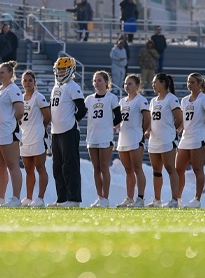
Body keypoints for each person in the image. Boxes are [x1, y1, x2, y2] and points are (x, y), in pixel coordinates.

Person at [0, 60, 25, 207]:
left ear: (10, 74)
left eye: (2, 72)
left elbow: (20, 111)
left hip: (8, 132)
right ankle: (0, 197)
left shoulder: (13, 89)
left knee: (12, 164)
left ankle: (16, 198)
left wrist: (9, 122)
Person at [49, 55, 86, 207]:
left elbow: (82, 109)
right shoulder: (56, 87)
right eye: (59, 70)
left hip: (68, 131)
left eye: (64, 69)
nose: (61, 72)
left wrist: (72, 121)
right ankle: (62, 199)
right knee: (57, 167)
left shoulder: (73, 86)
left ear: (71, 70)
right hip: (55, 132)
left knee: (70, 166)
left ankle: (74, 199)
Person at [175, 73, 205, 208]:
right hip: (186, 138)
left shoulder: (203, 99)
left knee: (197, 169)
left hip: (198, 138)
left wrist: (203, 127)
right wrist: (178, 129)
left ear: (199, 84)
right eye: (188, 82)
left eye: (192, 82)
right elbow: (184, 119)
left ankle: (197, 199)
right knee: (178, 169)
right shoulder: (185, 100)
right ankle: (177, 199)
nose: (189, 84)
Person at [84, 70, 121, 207]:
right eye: (95, 80)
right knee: (96, 168)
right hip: (92, 137)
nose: (97, 83)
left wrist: (112, 126)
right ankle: (100, 197)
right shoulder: (89, 99)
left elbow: (118, 116)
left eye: (99, 80)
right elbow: (80, 113)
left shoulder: (111, 97)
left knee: (104, 167)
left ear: (106, 82)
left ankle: (106, 198)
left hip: (105, 137)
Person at [147, 73, 182, 208]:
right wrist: (148, 130)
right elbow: (151, 119)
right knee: (156, 170)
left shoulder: (171, 99)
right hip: (154, 140)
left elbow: (179, 118)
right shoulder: (153, 101)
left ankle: (174, 200)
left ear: (163, 83)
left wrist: (173, 131)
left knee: (170, 168)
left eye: (155, 82)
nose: (153, 85)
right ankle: (157, 200)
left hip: (167, 139)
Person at [116, 74, 150, 208]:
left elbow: (147, 117)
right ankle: (129, 198)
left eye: (130, 84)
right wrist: (117, 126)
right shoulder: (122, 101)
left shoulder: (140, 100)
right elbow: (121, 118)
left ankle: (140, 198)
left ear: (137, 86)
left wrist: (143, 131)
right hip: (123, 138)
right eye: (125, 84)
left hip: (135, 137)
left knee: (137, 168)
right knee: (128, 170)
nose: (127, 86)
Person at [19, 70, 50, 207]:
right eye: (25, 80)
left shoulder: (38, 97)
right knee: (28, 169)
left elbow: (47, 116)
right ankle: (28, 197)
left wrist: (41, 126)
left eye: (30, 80)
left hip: (37, 136)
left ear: (34, 82)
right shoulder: (20, 98)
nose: (27, 83)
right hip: (25, 137)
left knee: (40, 167)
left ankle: (40, 198)